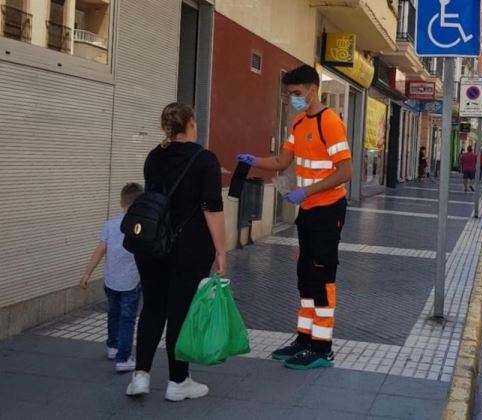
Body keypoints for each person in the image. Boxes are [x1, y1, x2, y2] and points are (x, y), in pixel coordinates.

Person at [237, 65, 352, 370]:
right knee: (305, 275)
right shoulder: (299, 123)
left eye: (297, 94)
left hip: (328, 208)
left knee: (322, 276)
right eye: (290, 95)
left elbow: (346, 171)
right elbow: (281, 161)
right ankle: (304, 338)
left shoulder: (330, 122)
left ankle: (322, 347)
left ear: (313, 90)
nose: (293, 100)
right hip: (309, 211)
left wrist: (309, 190)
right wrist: (254, 161)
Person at [126, 103, 227, 401]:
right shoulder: (205, 159)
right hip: (190, 247)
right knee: (179, 312)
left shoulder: (154, 156)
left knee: (153, 308)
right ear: (191, 124)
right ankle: (178, 381)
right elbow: (212, 209)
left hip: (151, 244)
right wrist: (221, 251)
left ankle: (140, 376)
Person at [80, 183, 144, 372]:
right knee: (127, 319)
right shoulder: (140, 227)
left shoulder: (110, 224)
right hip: (131, 282)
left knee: (113, 314)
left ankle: (112, 347)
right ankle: (123, 358)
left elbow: (100, 251)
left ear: (121, 202)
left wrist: (86, 274)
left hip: (110, 281)